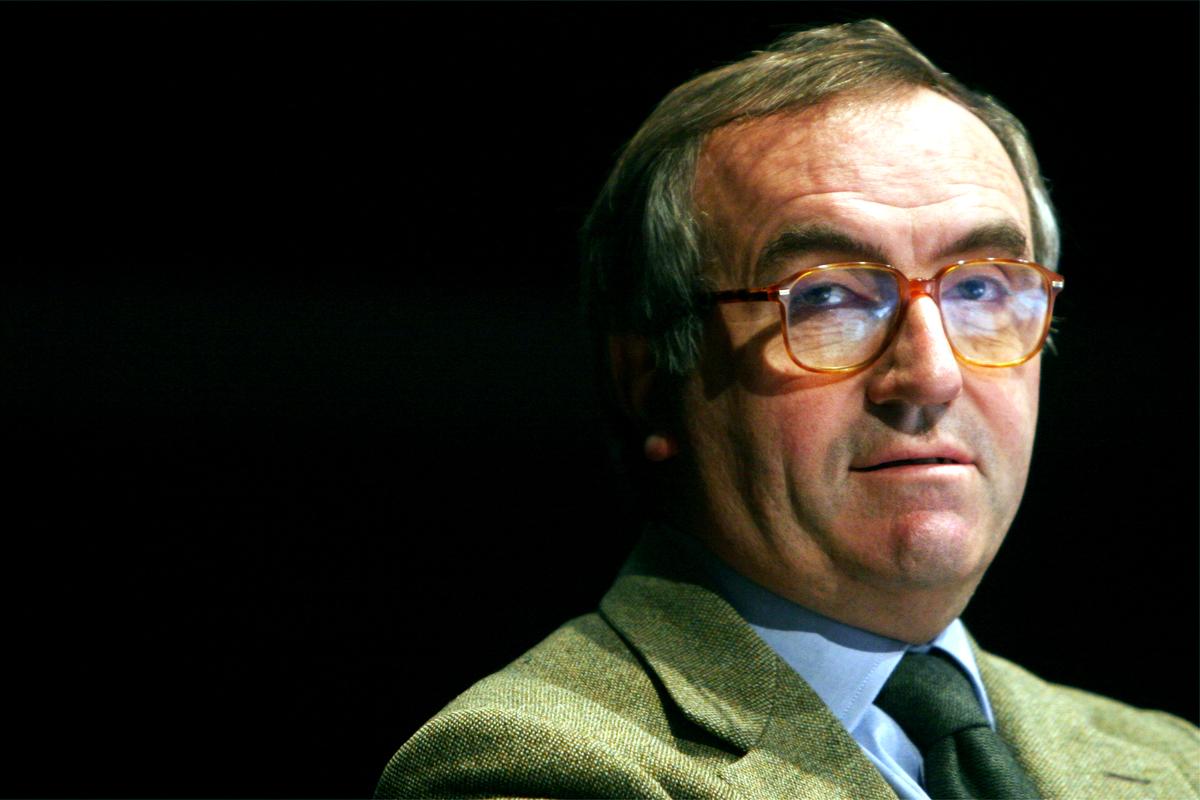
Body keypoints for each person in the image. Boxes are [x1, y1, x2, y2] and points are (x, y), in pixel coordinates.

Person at [376, 20, 1199, 799]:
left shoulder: (1174, 761)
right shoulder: (534, 764)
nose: (931, 375)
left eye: (980, 288)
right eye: (828, 297)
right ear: (650, 380)